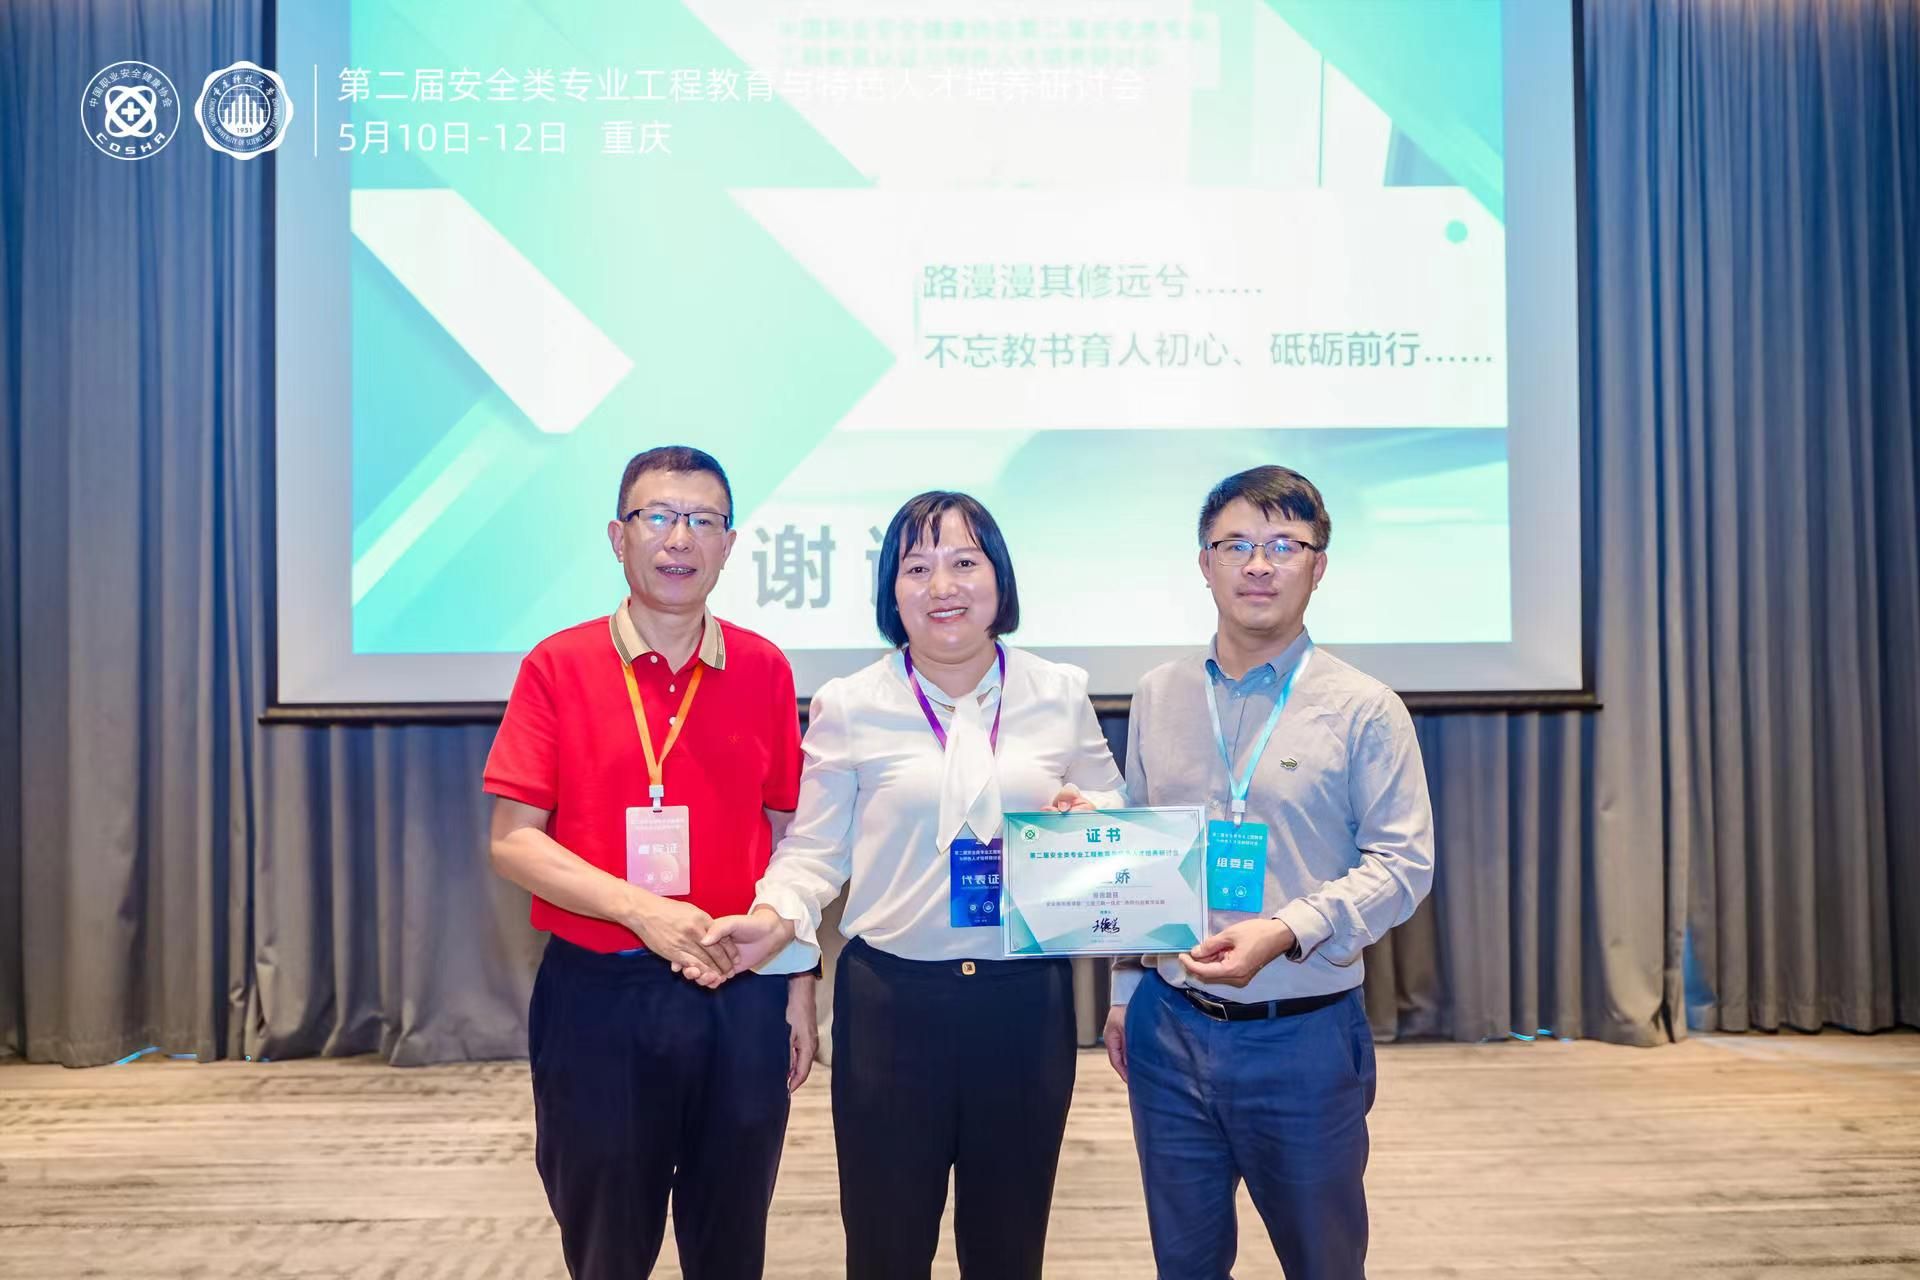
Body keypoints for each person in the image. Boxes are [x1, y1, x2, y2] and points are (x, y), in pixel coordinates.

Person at [694, 491, 1124, 1280]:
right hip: (892, 1006)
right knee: (886, 1249)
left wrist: (1090, 818)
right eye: (917, 568)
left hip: (1024, 1002)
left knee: (1009, 1249)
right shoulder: (852, 703)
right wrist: (774, 917)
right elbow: (814, 850)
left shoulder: (1058, 691)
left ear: (1000, 578)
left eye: (964, 562)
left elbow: (1113, 813)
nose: (942, 586)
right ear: (891, 592)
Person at [482, 445, 818, 1280]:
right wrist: (642, 910)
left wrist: (799, 985)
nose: (679, 539)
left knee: (731, 1243)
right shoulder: (558, 665)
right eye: (658, 516)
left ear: (729, 544)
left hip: (739, 990)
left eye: (703, 521)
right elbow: (513, 839)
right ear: (618, 536)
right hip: (601, 997)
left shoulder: (764, 667)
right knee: (606, 1244)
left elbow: (794, 835)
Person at [1104, 465, 1435, 1280]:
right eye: (1236, 545)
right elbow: (1142, 843)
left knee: (1323, 1263)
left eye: (1284, 545)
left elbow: (1403, 863)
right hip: (1169, 1027)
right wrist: (1125, 992)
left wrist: (1289, 929)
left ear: (1318, 566)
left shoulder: (1364, 707)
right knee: (1185, 1263)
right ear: (1204, 563)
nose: (1258, 564)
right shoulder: (1160, 693)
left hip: (1304, 1036)